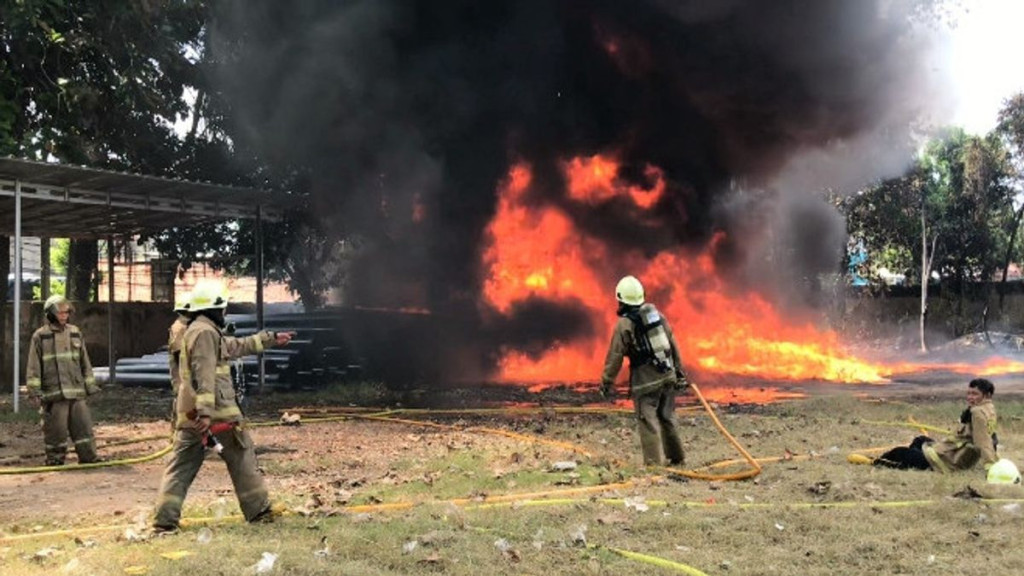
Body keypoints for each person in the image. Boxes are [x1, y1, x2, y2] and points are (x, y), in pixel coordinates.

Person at [153, 280, 294, 532]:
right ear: (213, 308)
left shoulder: (200, 330)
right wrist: (205, 414)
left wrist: (270, 339)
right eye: (223, 308)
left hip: (191, 413)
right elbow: (203, 374)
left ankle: (164, 521)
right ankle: (258, 511)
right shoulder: (205, 333)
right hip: (216, 414)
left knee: (181, 467)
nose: (225, 312)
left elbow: (236, 346)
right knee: (241, 455)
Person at [600, 275, 689, 466]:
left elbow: (615, 356)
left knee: (648, 421)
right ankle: (677, 457)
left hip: (646, 382)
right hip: (668, 376)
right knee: (667, 417)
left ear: (621, 299)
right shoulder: (656, 315)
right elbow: (672, 344)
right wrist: (679, 371)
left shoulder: (624, 324)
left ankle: (654, 464)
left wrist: (607, 381)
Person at [25, 294, 101, 466]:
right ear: (50, 314)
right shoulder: (40, 336)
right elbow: (33, 366)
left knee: (83, 428)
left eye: (66, 312)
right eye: (60, 313)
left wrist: (90, 385)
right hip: (54, 394)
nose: (64, 315)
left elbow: (85, 362)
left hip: (76, 393)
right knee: (55, 431)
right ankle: (55, 460)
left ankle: (89, 458)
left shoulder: (75, 333)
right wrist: (35, 392)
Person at [874, 378, 999, 473]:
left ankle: (877, 462)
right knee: (920, 440)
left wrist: (991, 467)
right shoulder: (988, 408)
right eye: (969, 393)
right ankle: (914, 462)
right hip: (949, 453)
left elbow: (983, 442)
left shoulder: (977, 413)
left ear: (987, 395)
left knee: (898, 452)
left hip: (947, 462)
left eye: (975, 394)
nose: (970, 397)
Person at [166, 295, 190, 427]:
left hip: (187, 379)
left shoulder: (187, 326)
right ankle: (178, 438)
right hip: (183, 378)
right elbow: (179, 353)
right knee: (182, 409)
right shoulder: (180, 327)